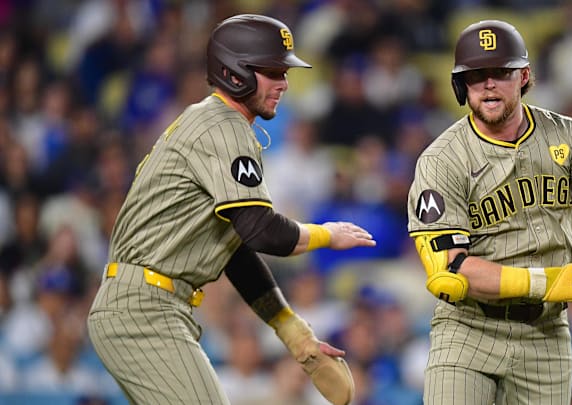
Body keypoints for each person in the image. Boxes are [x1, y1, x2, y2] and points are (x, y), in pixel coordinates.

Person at [86, 14, 375, 405]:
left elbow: (237, 248)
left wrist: (291, 330)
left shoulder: (217, 124)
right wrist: (327, 234)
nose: (284, 83)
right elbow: (264, 232)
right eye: (273, 71)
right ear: (236, 72)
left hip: (149, 306)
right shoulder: (222, 126)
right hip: (144, 310)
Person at [406, 20, 572, 405]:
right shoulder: (442, 160)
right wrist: (548, 282)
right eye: (476, 75)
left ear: (523, 76)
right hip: (469, 329)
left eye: (500, 73)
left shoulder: (569, 137)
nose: (488, 84)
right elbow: (451, 271)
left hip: (546, 336)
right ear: (461, 86)